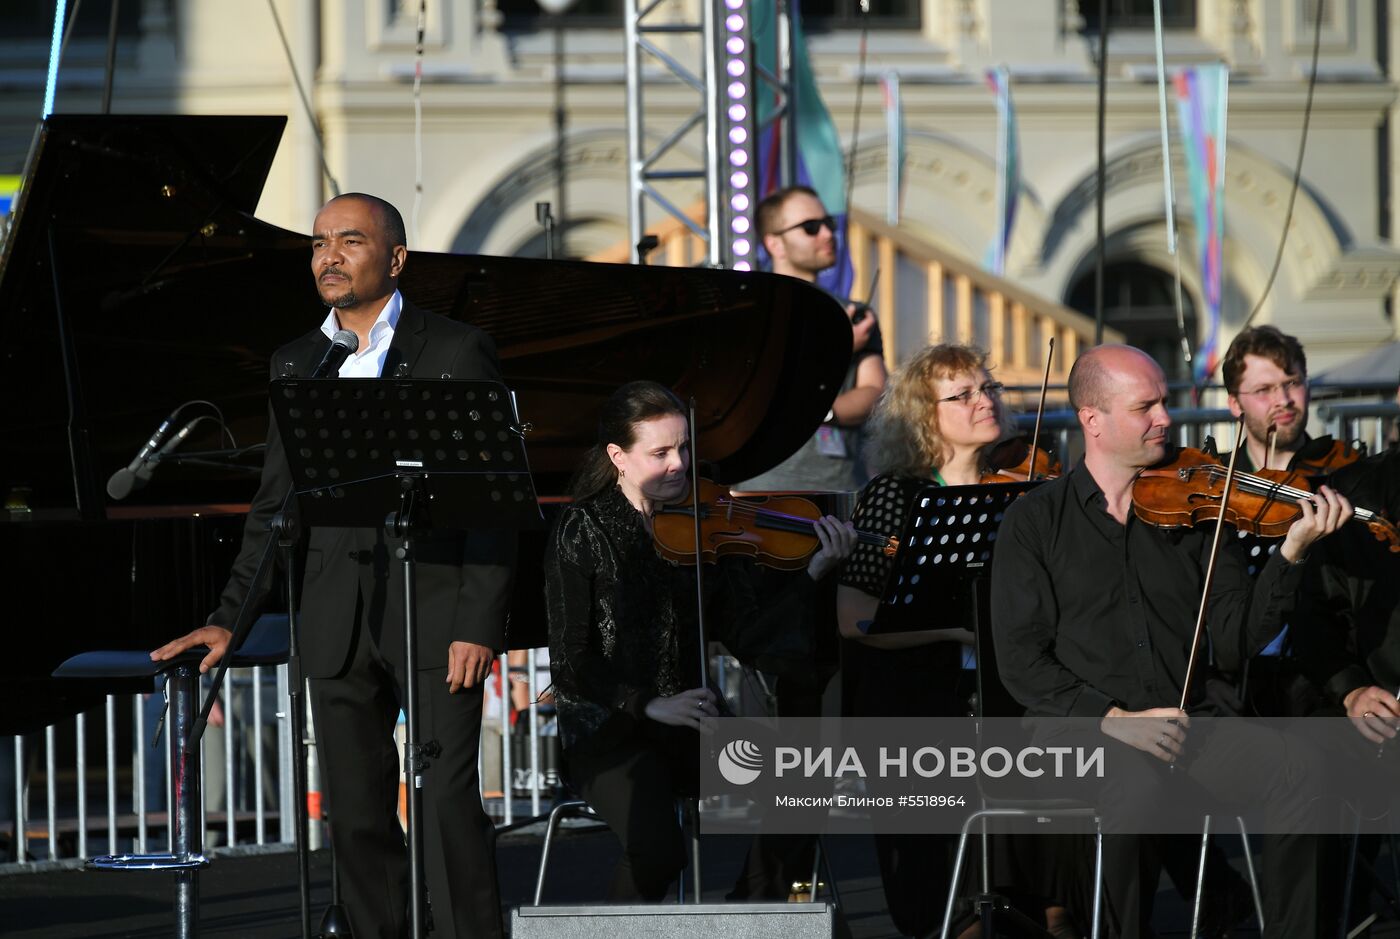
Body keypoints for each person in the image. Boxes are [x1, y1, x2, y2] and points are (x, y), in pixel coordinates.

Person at [152, 193, 513, 939]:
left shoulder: (454, 348)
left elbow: (492, 499)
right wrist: (229, 621)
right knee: (353, 808)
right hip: (334, 614)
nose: (329, 256)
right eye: (319, 243)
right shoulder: (299, 360)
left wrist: (479, 621)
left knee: (445, 800)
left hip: (434, 608)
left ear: (396, 257)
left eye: (350, 241)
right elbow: (273, 506)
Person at [990, 344, 1353, 937]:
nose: (1167, 418)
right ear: (1093, 420)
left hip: (1190, 726)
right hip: (1079, 734)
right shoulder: (1035, 521)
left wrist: (1291, 554)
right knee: (1133, 786)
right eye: (1147, 406)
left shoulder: (1198, 510)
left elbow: (1234, 640)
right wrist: (1112, 719)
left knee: (1304, 766)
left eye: (1165, 401)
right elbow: (1021, 661)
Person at [542, 380, 855, 901]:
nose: (680, 464)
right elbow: (571, 661)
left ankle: (748, 913)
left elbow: (749, 632)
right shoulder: (582, 527)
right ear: (618, 456)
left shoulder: (702, 522)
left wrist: (813, 574)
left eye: (684, 448)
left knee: (802, 786)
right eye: (661, 452)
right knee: (657, 849)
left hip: (694, 725)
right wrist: (649, 704)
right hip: (609, 729)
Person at [833, 344, 1087, 937]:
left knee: (1052, 899)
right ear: (925, 415)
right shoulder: (895, 496)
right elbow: (854, 617)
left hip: (1004, 698)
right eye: (964, 394)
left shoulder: (1025, 491)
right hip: (918, 702)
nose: (985, 400)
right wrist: (955, 629)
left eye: (988, 387)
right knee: (956, 905)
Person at [736, 186, 886, 492]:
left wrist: (823, 411)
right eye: (810, 228)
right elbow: (760, 390)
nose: (827, 235)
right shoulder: (749, 310)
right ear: (775, 243)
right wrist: (838, 345)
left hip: (843, 487)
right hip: (764, 486)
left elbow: (874, 392)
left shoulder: (855, 313)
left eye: (828, 224)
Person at [1219, 325, 1358, 472]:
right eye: (1263, 390)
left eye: (1292, 383)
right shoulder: (1216, 484)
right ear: (1235, 404)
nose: (1284, 401)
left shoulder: (1347, 474)